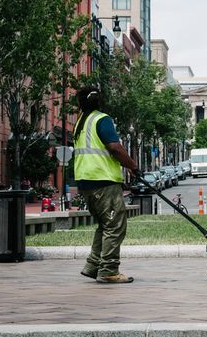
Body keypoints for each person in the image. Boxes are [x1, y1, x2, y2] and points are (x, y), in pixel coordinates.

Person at [73, 86, 140, 284]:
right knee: (115, 226)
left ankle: (93, 265)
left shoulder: (81, 123)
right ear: (100, 102)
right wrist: (133, 166)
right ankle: (109, 270)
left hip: (85, 181)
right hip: (103, 181)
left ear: (81, 103)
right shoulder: (102, 119)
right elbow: (114, 147)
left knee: (104, 225)